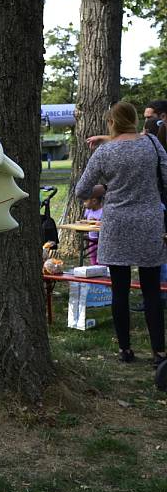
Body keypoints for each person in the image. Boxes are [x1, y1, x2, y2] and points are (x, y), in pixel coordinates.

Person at [76, 102, 167, 372]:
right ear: (135, 119)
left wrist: (106, 187)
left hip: (116, 225)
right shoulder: (151, 143)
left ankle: (125, 349)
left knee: (120, 289)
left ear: (111, 123)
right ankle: (159, 351)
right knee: (151, 290)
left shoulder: (105, 152)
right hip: (149, 222)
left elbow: (83, 190)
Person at [82, 185, 104, 266]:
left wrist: (97, 222)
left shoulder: (103, 211)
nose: (84, 203)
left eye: (85, 201)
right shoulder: (88, 211)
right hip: (91, 239)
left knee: (102, 261)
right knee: (93, 260)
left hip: (101, 240)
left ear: (94, 201)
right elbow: (86, 221)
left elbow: (104, 223)